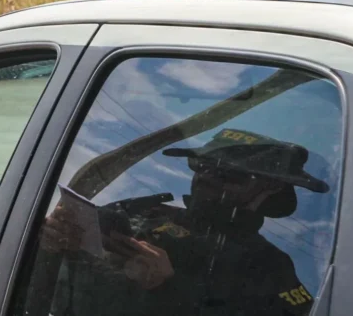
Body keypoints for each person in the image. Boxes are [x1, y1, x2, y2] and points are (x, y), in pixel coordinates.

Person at [26, 129, 329, 316]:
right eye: (202, 165)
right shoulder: (140, 213)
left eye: (229, 173)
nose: (208, 177)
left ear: (271, 187)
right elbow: (39, 286)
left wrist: (168, 287)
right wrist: (55, 241)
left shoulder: (270, 264)